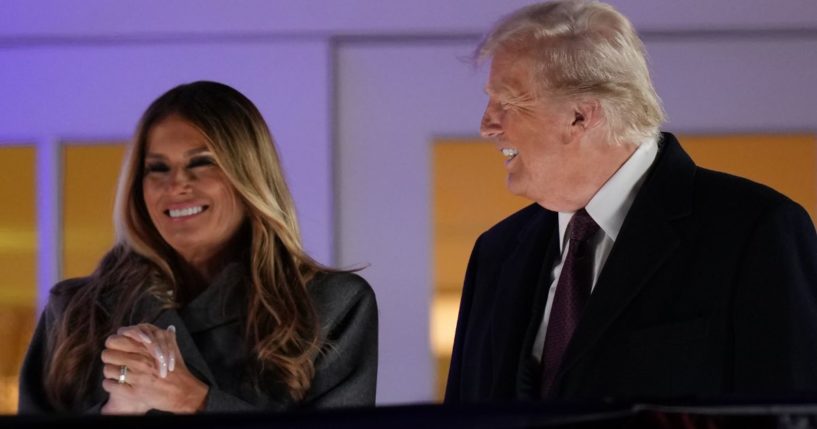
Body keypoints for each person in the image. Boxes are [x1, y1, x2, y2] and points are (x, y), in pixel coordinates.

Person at [446, 0, 817, 403]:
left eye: (506, 101)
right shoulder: (496, 254)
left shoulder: (755, 232)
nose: (487, 125)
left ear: (581, 116)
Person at [18, 81, 378, 413]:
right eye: (157, 168)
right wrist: (118, 410)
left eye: (202, 163)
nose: (176, 185)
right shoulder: (73, 312)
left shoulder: (332, 306)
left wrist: (192, 398)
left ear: (249, 175)